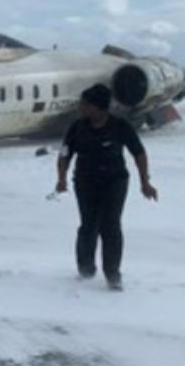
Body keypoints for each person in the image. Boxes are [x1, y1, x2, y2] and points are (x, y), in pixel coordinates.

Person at [56, 84, 157, 291]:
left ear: (98, 107)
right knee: (88, 225)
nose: (81, 108)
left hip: (114, 182)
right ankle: (85, 268)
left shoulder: (120, 126)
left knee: (110, 226)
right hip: (85, 182)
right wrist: (62, 178)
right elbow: (65, 153)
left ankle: (112, 273)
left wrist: (144, 182)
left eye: (85, 104)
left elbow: (138, 153)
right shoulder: (77, 127)